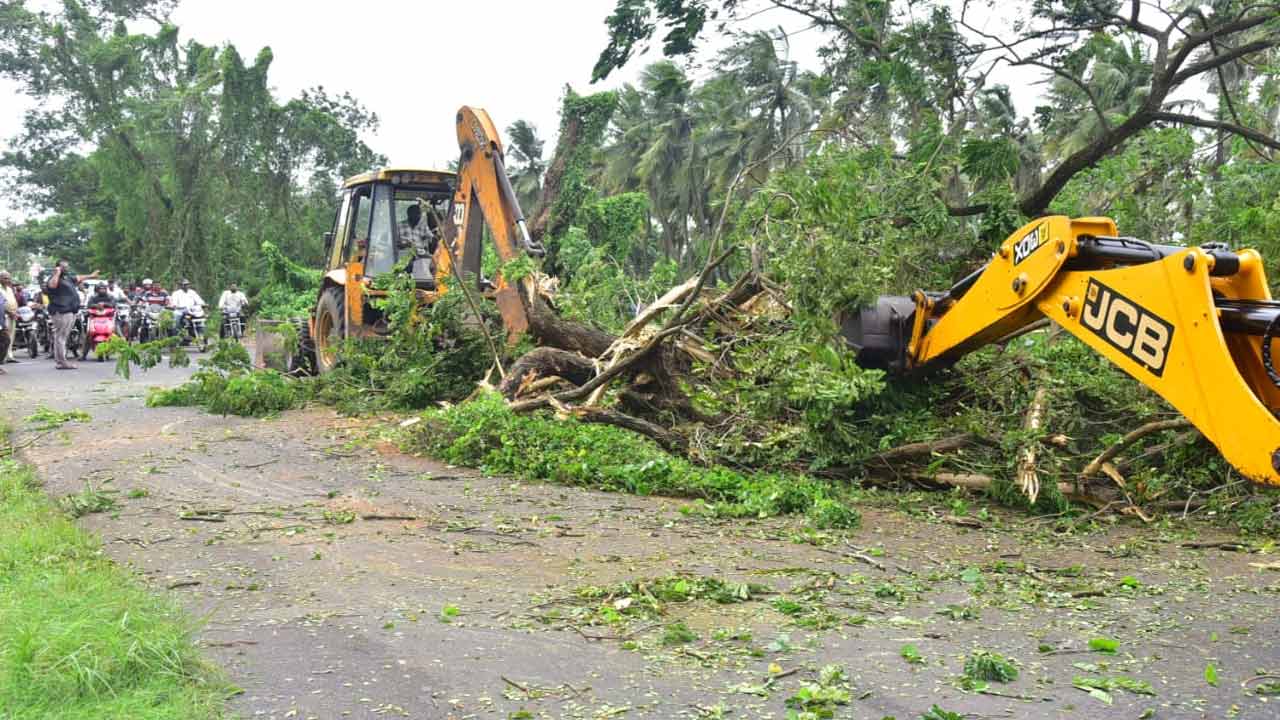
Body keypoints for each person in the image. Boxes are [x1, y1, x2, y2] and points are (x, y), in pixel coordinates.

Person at [46, 259, 99, 369]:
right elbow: (52, 286)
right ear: (58, 268)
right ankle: (62, 362)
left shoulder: (67, 278)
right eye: (63, 267)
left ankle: (61, 361)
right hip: (61, 311)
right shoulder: (54, 278)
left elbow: (79, 277)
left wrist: (91, 275)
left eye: (66, 267)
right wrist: (57, 273)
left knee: (63, 336)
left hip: (70, 310)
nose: (66, 269)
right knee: (60, 337)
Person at [0, 271, 19, 363]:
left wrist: (15, 312)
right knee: (4, 337)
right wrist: (9, 312)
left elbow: (13, 301)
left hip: (13, 315)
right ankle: (2, 358)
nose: (8, 280)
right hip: (4, 316)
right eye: (5, 278)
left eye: (8, 278)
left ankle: (9, 356)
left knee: (11, 336)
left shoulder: (9, 289)